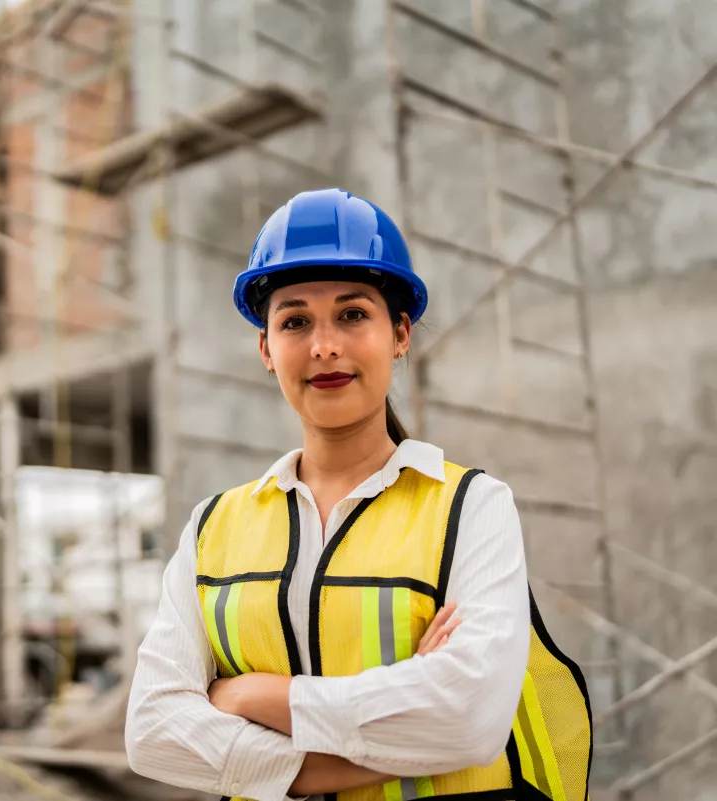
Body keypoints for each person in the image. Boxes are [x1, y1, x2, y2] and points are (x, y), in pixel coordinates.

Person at [125, 189, 592, 801]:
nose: (324, 346)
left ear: (399, 334)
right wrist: (376, 734)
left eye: (352, 314)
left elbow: (471, 718)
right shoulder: (212, 528)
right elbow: (152, 731)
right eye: (294, 321)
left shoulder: (470, 507)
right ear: (266, 349)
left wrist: (253, 696)